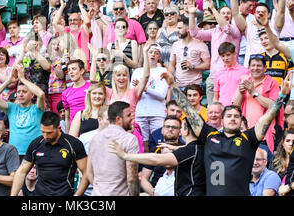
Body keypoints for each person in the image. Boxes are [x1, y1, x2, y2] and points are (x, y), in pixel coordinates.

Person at [161, 71, 290, 196]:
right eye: (229, 116)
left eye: (236, 116)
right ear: (222, 120)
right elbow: (189, 111)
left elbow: (267, 117)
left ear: (241, 121)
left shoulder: (249, 138)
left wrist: (282, 96)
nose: (233, 118)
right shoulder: (209, 135)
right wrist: (173, 85)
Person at [110, 117, 206, 196]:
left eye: (181, 128)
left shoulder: (189, 151)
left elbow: (156, 159)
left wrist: (125, 155)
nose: (180, 130)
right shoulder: (201, 147)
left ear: (186, 131)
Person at [10, 111, 87, 196]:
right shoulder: (36, 144)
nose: (45, 135)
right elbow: (21, 172)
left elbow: (86, 173)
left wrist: (77, 195)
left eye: (49, 132)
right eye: (43, 132)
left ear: (59, 128)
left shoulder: (73, 144)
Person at [0, 64, 46, 158]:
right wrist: (8, 81)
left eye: (24, 92)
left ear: (32, 95)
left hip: (34, 152)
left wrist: (22, 79)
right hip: (15, 153)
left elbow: (41, 94)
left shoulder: (37, 108)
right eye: (18, 92)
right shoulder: (12, 108)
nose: (20, 94)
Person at [232, 54, 281, 153]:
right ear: (249, 68)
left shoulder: (272, 83)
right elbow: (234, 109)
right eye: (253, 65)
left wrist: (253, 92)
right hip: (244, 133)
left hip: (263, 135)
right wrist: (241, 94)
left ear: (265, 68)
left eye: (259, 66)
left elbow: (274, 106)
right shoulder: (244, 82)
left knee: (261, 164)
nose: (255, 68)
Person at [169, 16, 210, 89]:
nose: (177, 30)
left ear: (188, 29)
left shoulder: (200, 44)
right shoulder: (175, 45)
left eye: (180, 28)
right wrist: (170, 76)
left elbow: (208, 64)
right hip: (179, 85)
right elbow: (172, 65)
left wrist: (193, 67)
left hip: (195, 85)